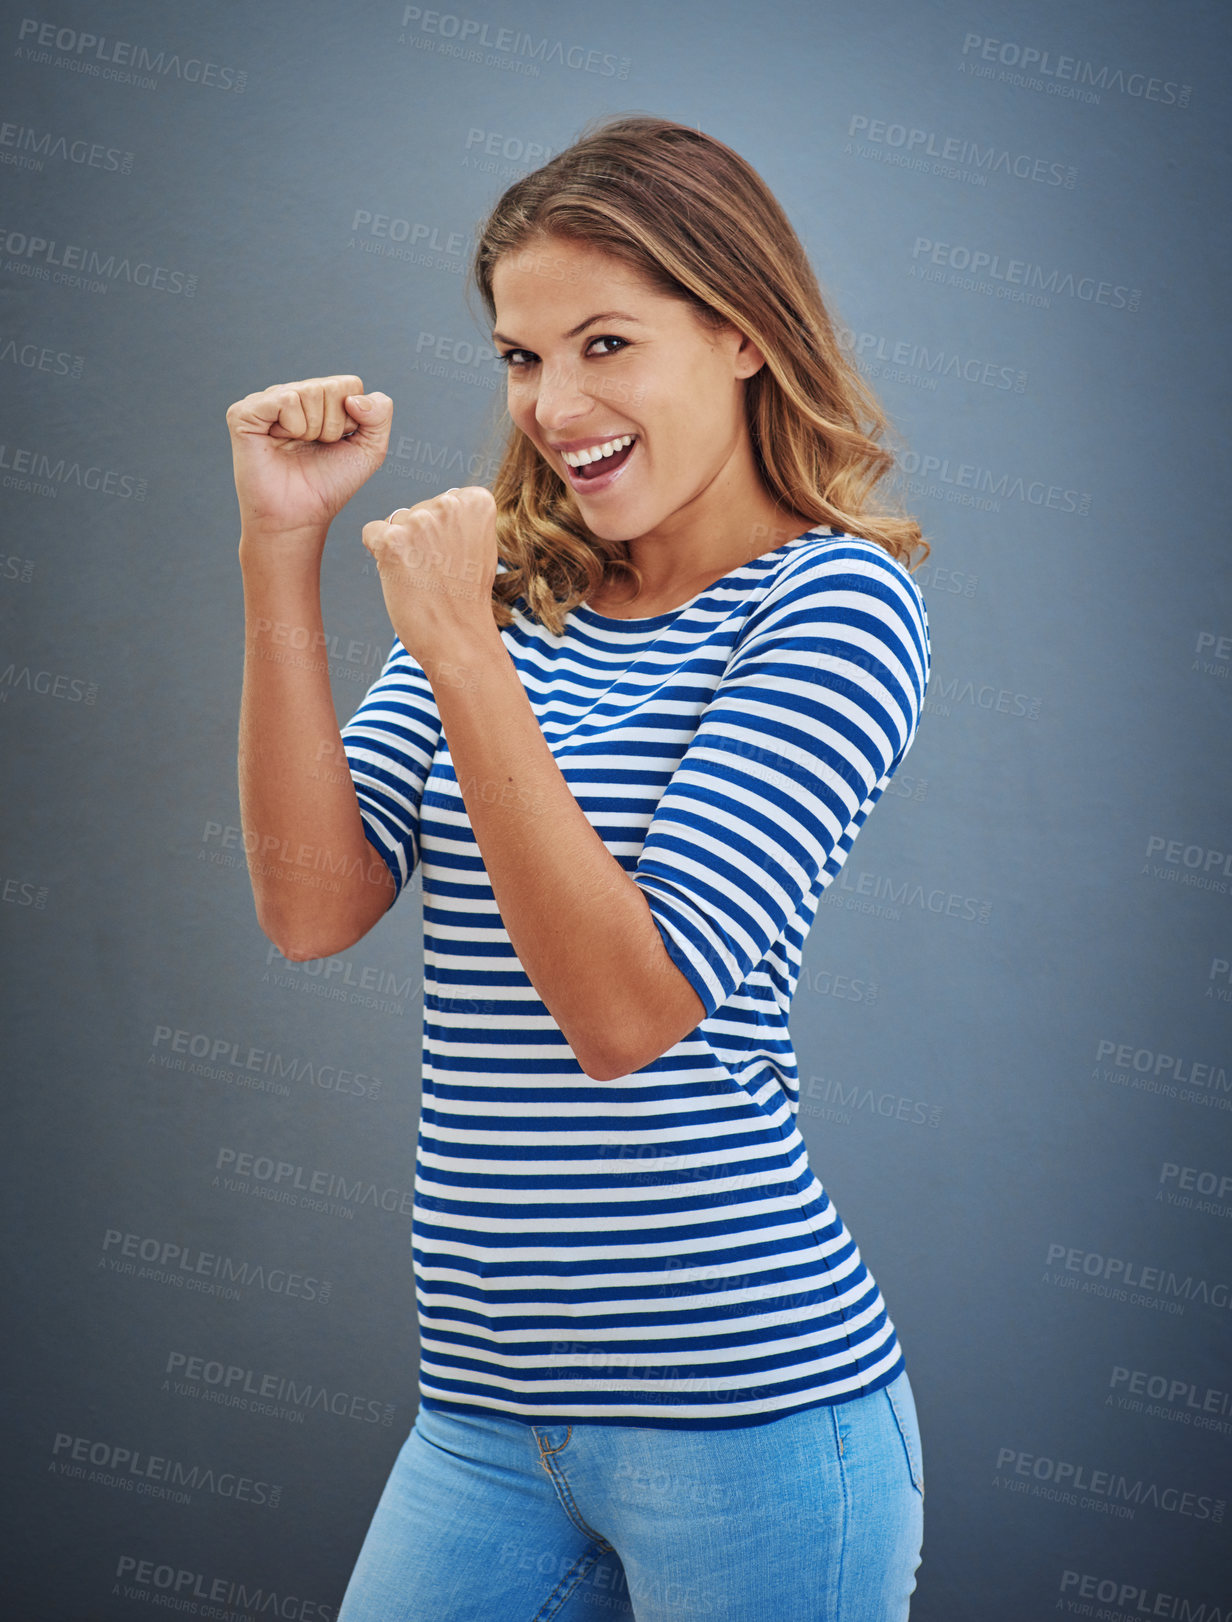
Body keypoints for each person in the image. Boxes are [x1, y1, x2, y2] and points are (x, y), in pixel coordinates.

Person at [226, 113, 931, 1622]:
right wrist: (281, 550)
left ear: (742, 331)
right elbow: (309, 901)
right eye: (522, 356)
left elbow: (625, 1012)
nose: (554, 402)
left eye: (606, 342)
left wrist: (469, 658)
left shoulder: (831, 610)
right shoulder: (516, 602)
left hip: (750, 1420)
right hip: (480, 1418)